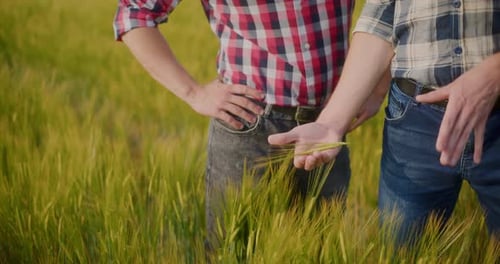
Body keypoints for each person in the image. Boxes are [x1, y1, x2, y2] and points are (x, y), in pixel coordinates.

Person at [113, 0, 388, 250]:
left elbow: (395, 8)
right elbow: (134, 15)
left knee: (320, 247)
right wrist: (193, 93)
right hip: (249, 126)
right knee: (234, 249)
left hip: (329, 125)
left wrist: (376, 88)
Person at [269, 0, 500, 245]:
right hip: (413, 117)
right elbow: (382, 14)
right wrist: (330, 122)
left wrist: (493, 74)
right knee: (399, 249)